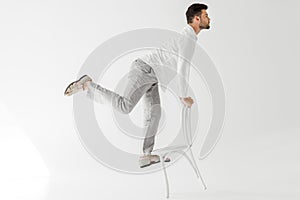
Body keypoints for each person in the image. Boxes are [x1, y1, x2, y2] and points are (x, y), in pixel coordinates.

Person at [64, 3, 210, 168]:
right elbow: (182, 67)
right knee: (124, 106)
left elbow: (178, 66)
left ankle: (146, 155)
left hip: (152, 76)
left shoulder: (189, 38)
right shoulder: (188, 38)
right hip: (145, 70)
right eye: (206, 16)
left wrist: (180, 93)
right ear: (196, 18)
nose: (209, 18)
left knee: (154, 114)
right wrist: (183, 96)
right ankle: (87, 85)